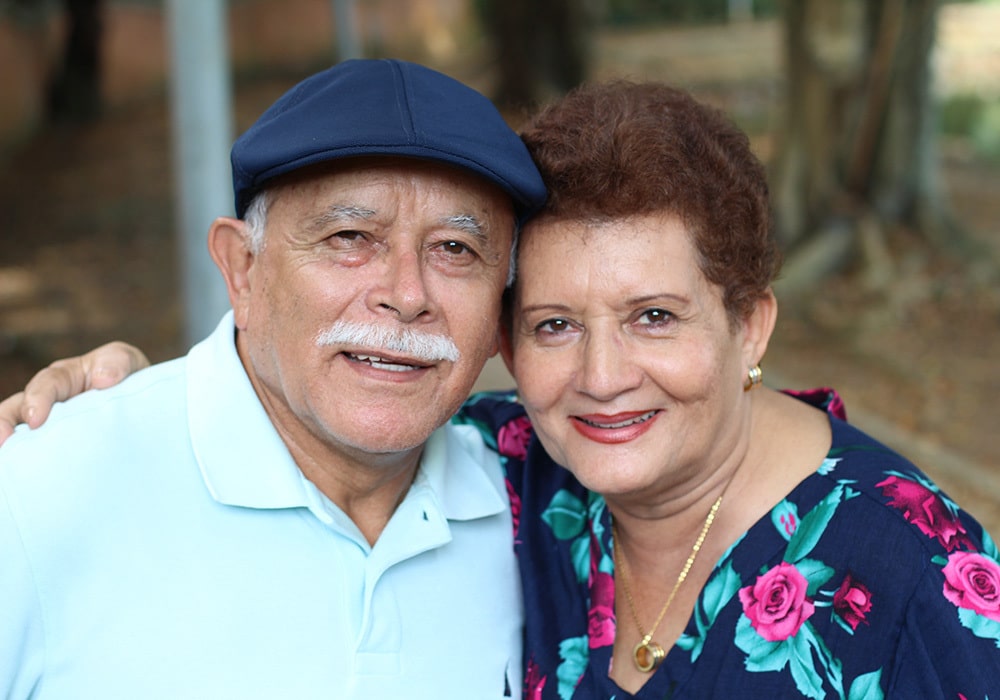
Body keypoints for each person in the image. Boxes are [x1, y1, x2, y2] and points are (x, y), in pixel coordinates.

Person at [6, 81, 1000, 698]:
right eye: (555, 326)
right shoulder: (516, 468)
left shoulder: (920, 571)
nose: (604, 377)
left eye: (655, 315)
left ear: (751, 324)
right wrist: (104, 409)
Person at [0, 57, 547, 698]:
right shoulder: (44, 492)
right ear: (243, 271)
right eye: (350, 236)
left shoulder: (530, 512)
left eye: (456, 250)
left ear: (499, 315)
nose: (406, 295)